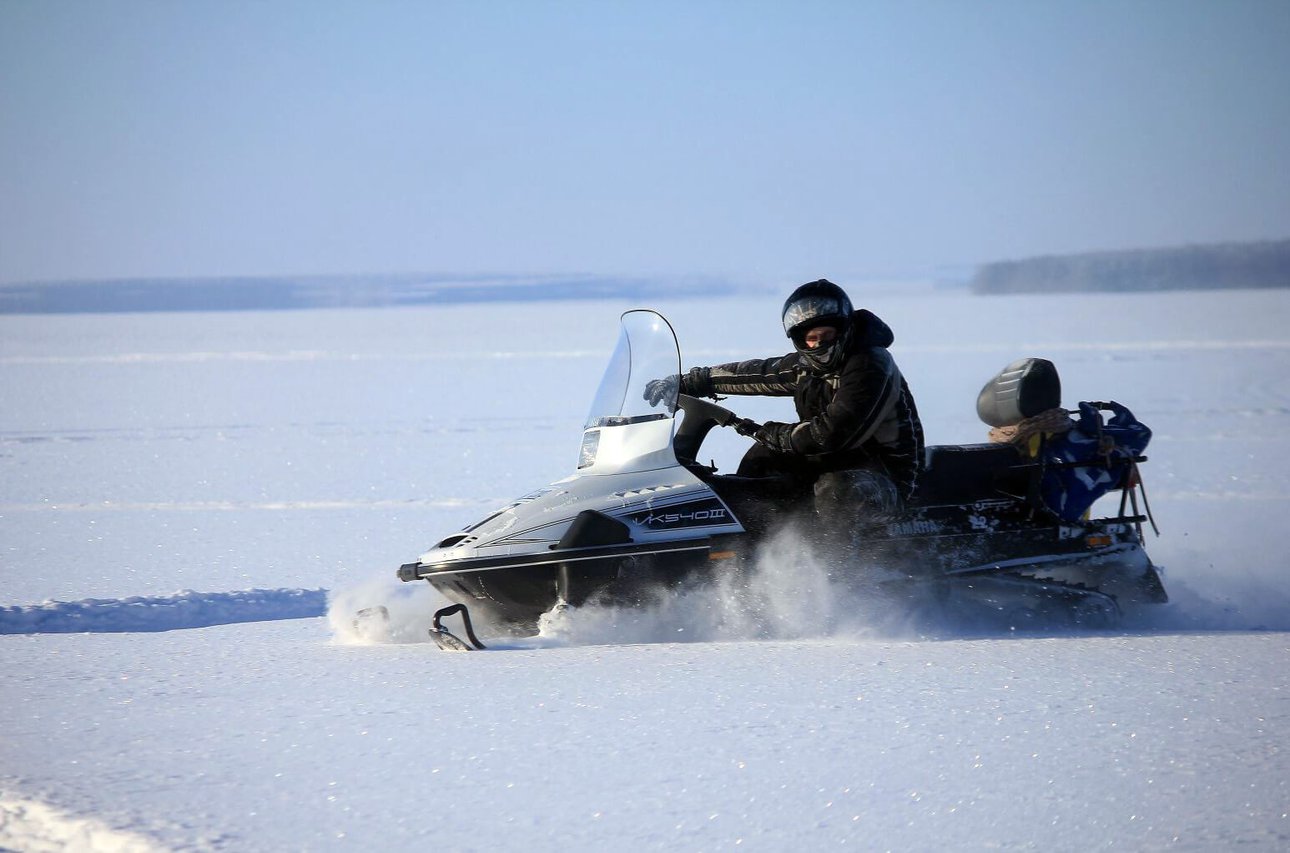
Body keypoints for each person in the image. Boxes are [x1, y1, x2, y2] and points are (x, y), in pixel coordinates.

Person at [646, 279, 924, 519]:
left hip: (884, 477)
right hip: (828, 461)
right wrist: (687, 382)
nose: (819, 344)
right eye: (812, 338)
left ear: (845, 330)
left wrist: (770, 433)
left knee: (838, 490)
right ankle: (748, 548)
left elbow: (833, 434)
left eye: (827, 335)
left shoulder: (869, 365)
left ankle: (838, 575)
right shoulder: (808, 367)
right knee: (761, 459)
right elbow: (755, 374)